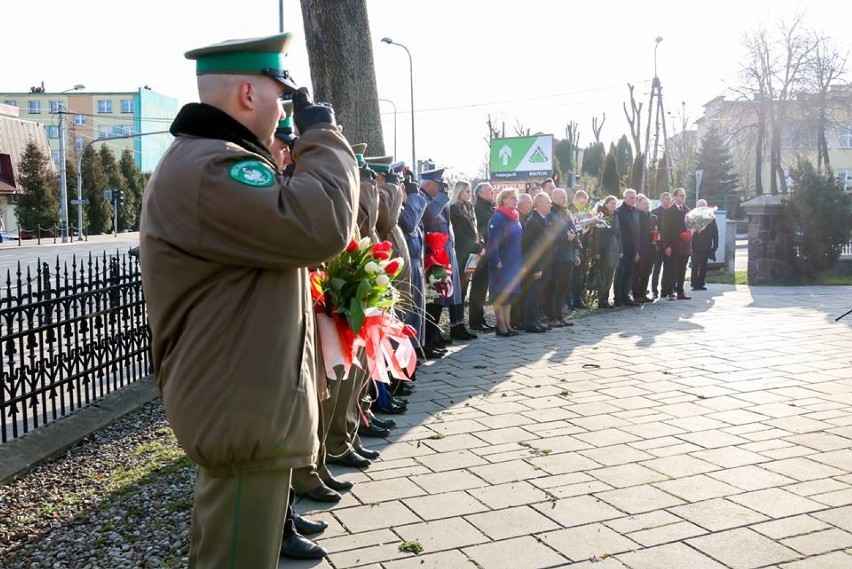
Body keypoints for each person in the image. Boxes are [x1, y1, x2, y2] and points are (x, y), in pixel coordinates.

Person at [140, 32, 359, 569]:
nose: (285, 110)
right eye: (279, 95)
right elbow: (322, 225)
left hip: (243, 401)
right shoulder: (216, 168)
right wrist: (323, 136)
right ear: (246, 94)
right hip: (239, 408)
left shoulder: (211, 161)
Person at [420, 168, 477, 346]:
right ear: (429, 184)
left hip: (444, 254)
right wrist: (442, 198)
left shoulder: (437, 200)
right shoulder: (423, 199)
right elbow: (427, 218)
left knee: (441, 298)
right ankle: (429, 339)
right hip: (433, 256)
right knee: (433, 299)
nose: (443, 189)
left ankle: (434, 336)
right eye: (440, 185)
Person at [487, 188, 524, 336]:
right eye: (512, 198)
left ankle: (508, 324)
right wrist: (496, 260)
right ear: (503, 199)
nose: (515, 200)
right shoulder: (498, 217)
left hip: (513, 261)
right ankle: (500, 325)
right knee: (499, 294)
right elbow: (492, 242)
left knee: (509, 294)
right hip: (501, 262)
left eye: (516, 198)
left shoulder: (515, 217)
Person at [546, 188, 580, 326]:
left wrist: (576, 252)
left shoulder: (566, 212)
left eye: (565, 196)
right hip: (557, 256)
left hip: (569, 255)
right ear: (553, 197)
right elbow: (549, 233)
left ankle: (560, 316)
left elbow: (573, 229)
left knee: (563, 287)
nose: (564, 199)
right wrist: (565, 237)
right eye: (561, 196)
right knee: (554, 287)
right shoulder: (550, 212)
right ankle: (552, 317)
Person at [521, 192, 551, 333]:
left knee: (538, 294)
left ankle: (536, 320)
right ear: (538, 204)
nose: (550, 205)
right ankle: (530, 323)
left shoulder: (542, 218)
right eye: (547, 203)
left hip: (543, 263)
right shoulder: (534, 221)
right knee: (532, 294)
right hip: (535, 265)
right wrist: (536, 267)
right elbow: (529, 246)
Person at [468, 182, 495, 331]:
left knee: (483, 289)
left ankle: (480, 319)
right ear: (480, 194)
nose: (492, 192)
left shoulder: (488, 207)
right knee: (478, 288)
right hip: (480, 253)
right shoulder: (478, 208)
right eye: (489, 190)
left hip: (487, 251)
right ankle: (475, 322)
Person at [449, 180, 481, 305]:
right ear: (459, 191)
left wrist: (480, 243)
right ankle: (457, 321)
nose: (470, 194)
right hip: (461, 253)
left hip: (472, 253)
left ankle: (460, 319)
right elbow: (459, 235)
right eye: (467, 191)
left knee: (465, 286)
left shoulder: (469, 207)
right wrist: (477, 246)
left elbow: (475, 229)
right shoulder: (453, 209)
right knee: (459, 288)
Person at [662, 187, 692, 300]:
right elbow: (665, 230)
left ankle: (680, 291)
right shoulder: (668, 211)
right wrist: (667, 246)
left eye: (684, 195)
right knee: (672, 269)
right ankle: (670, 291)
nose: (683, 197)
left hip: (685, 245)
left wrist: (692, 231)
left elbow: (690, 226)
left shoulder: (687, 210)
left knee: (682, 269)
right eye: (680, 195)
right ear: (674, 197)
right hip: (674, 245)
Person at [592, 195, 621, 309]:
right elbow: (596, 235)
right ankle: (601, 299)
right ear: (606, 204)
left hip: (613, 248)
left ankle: (606, 298)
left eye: (615, 203)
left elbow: (619, 233)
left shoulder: (615, 215)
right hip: (603, 249)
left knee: (610, 275)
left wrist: (620, 248)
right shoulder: (601, 215)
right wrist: (597, 251)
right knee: (603, 275)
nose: (613, 205)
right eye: (611, 203)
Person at [614, 188, 640, 306]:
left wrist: (637, 251)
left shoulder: (635, 211)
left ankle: (626, 296)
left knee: (629, 273)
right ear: (625, 198)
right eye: (631, 197)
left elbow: (637, 231)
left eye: (634, 197)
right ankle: (618, 298)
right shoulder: (619, 211)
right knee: (620, 273)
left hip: (632, 248)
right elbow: (617, 231)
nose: (633, 199)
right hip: (622, 247)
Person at [632, 193, 659, 303]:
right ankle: (636, 295)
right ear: (637, 205)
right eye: (644, 203)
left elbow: (657, 230)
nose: (646, 205)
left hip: (651, 248)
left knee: (647, 273)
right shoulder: (636, 216)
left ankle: (643, 293)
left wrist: (657, 235)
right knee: (638, 273)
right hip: (640, 248)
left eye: (647, 203)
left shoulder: (653, 217)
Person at [690, 198, 718, 291]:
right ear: (697, 207)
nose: (702, 207)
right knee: (695, 265)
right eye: (700, 206)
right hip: (695, 245)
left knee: (703, 265)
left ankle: (701, 283)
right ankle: (694, 284)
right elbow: (689, 230)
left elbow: (715, 232)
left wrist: (715, 245)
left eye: (703, 206)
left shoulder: (710, 217)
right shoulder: (692, 217)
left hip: (706, 245)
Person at [651, 192, 672, 298]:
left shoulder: (672, 212)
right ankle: (654, 290)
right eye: (666, 199)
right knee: (657, 269)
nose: (668, 201)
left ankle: (665, 290)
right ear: (661, 200)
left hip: (669, 246)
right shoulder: (654, 213)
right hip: (658, 246)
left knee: (668, 269)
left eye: (669, 199)